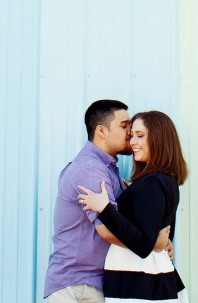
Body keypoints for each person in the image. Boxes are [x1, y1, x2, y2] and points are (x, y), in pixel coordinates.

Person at [44, 100, 172, 302]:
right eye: (124, 126)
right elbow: (108, 230)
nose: (130, 133)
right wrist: (154, 242)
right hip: (78, 285)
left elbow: (127, 221)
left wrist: (153, 234)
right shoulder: (90, 170)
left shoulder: (109, 170)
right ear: (102, 131)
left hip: (94, 283)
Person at [76, 110, 188, 303]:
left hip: (138, 283)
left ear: (159, 139)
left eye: (140, 135)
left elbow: (144, 246)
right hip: (150, 279)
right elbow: (161, 233)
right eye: (131, 136)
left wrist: (104, 209)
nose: (133, 142)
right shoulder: (165, 181)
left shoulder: (152, 183)